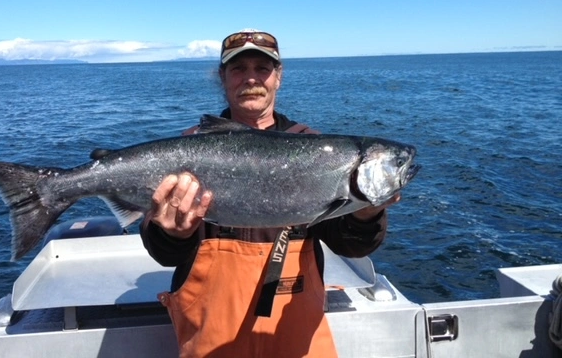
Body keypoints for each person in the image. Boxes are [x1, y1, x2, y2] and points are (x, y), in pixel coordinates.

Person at [140, 29, 400, 357]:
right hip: (212, 332)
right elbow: (165, 254)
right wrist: (172, 234)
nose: (251, 79)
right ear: (223, 78)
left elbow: (350, 245)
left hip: (296, 328)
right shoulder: (189, 151)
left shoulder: (318, 151)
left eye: (262, 69)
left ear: (278, 77)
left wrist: (366, 213)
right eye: (239, 69)